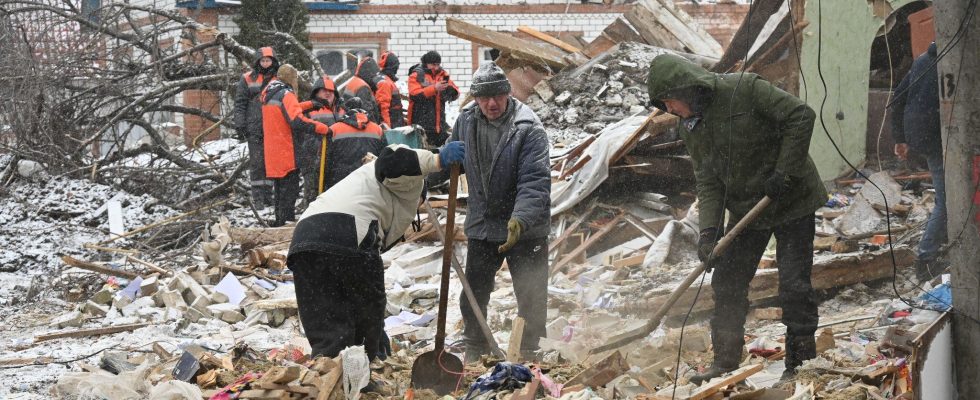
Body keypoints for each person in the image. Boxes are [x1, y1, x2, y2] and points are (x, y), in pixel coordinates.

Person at [646, 54, 827, 382]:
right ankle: (725, 364)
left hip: (792, 198)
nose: (670, 111)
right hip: (748, 208)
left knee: (794, 286)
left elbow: (800, 116)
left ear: (686, 90)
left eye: (671, 103)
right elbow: (708, 178)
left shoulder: (745, 88)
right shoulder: (691, 127)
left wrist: (785, 171)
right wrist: (709, 231)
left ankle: (800, 366)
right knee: (727, 282)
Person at [287, 143, 466, 360]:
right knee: (367, 310)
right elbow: (390, 162)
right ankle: (362, 373)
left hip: (304, 241)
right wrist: (437, 160)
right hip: (349, 232)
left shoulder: (362, 185)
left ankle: (330, 374)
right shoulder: (409, 182)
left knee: (327, 322)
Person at [442, 62, 551, 363]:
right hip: (483, 222)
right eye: (484, 97)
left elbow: (535, 181)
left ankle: (528, 350)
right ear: (475, 99)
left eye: (498, 96)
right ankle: (475, 347)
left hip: (525, 226)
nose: (492, 103)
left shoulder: (528, 128)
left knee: (530, 291)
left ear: (508, 93)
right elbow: (454, 159)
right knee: (474, 290)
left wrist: (521, 218)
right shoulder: (466, 120)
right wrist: (431, 170)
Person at [889, 42, 946, 282]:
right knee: (949, 201)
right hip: (939, 138)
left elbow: (897, 98)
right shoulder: (952, 61)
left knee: (950, 198)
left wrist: (900, 138)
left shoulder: (923, 59)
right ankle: (926, 260)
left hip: (921, 137)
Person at [260, 64, 330, 227]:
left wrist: (311, 104)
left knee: (279, 193)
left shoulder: (271, 92)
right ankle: (286, 227)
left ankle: (279, 223)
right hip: (286, 151)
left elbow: (288, 110)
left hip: (273, 152)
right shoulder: (286, 93)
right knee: (288, 194)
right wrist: (320, 128)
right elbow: (296, 121)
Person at [234, 46, 278, 207]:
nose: (266, 63)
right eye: (263, 60)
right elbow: (240, 103)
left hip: (273, 128)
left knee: (270, 162)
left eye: (268, 60)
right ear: (258, 61)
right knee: (257, 163)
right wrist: (240, 124)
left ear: (273, 62)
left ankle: (269, 196)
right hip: (255, 127)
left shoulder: (278, 79)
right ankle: (258, 198)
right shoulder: (247, 78)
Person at [298, 75, 346, 205]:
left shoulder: (342, 109)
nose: (327, 93)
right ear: (316, 92)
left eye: (330, 90)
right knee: (313, 193)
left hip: (336, 158)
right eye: (323, 90)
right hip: (312, 157)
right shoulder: (309, 109)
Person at [322, 98, 387, 190]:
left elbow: (324, 163)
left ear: (345, 111)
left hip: (340, 186)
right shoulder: (378, 130)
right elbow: (385, 160)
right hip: (370, 185)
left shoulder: (333, 129)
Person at [408, 51, 459, 147]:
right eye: (433, 64)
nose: (436, 67)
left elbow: (455, 92)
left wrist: (451, 90)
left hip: (439, 126)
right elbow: (414, 95)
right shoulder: (416, 75)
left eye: (438, 64)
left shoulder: (443, 75)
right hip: (421, 125)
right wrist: (434, 88)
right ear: (426, 63)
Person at [342, 57, 382, 124]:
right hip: (362, 125)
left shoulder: (354, 81)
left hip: (352, 121)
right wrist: (376, 128)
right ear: (369, 73)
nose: (374, 79)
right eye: (373, 75)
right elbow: (367, 111)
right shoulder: (363, 87)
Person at [375, 51, 406, 129]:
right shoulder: (385, 82)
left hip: (394, 122)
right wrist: (387, 127)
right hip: (392, 124)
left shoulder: (384, 79)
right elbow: (383, 107)